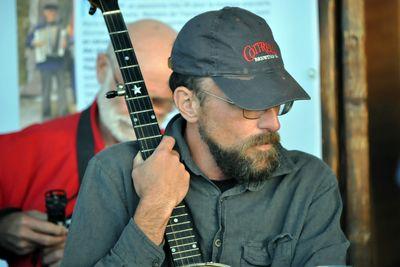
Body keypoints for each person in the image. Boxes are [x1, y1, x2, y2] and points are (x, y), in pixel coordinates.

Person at [62, 7, 349, 267]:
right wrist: (154, 210)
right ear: (189, 104)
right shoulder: (112, 173)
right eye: (250, 105)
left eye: (278, 103)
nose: (273, 123)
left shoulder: (310, 183)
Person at [0, 20, 176, 267]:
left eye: (159, 101)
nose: (143, 111)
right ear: (102, 68)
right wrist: (3, 227)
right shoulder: (25, 147)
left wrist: (84, 253)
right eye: (133, 94)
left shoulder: (180, 157)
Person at [26, 3, 69, 119]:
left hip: (59, 62)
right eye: (49, 12)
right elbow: (28, 42)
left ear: (56, 13)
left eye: (53, 12)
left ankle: (63, 112)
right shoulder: (38, 28)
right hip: (44, 63)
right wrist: (35, 43)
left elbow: (68, 42)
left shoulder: (61, 27)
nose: (51, 14)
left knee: (61, 89)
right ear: (45, 13)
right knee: (46, 90)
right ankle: (46, 113)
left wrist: (66, 43)